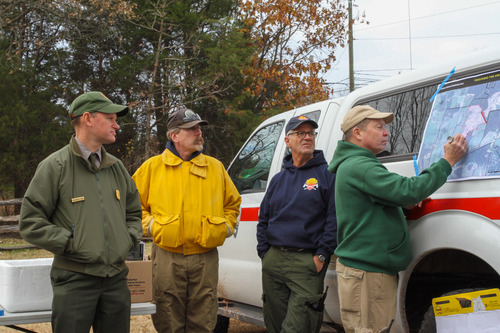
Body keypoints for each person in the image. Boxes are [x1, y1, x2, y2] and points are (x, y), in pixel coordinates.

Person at [328, 105, 468, 333]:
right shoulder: (360, 165)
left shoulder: (356, 164)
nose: (387, 132)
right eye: (379, 127)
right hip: (368, 274)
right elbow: (408, 190)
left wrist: (403, 206)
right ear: (357, 133)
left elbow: (381, 204)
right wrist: (447, 162)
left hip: (365, 272)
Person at [19, 91, 143, 333]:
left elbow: (134, 213)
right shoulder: (55, 167)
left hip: (116, 280)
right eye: (110, 118)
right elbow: (30, 222)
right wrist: (71, 243)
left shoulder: (117, 169)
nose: (116, 125)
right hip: (75, 280)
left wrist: (126, 239)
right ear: (87, 118)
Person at [132, 106, 241, 333]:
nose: (198, 132)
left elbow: (232, 204)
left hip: (205, 258)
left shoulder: (215, 168)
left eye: (199, 128)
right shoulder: (152, 168)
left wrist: (226, 227)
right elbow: (131, 208)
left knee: (203, 320)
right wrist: (152, 226)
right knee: (167, 317)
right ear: (174, 136)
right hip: (167, 258)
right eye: (191, 129)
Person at [256, 115, 337, 333]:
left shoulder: (327, 175)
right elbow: (263, 218)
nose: (307, 137)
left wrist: (322, 255)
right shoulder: (278, 179)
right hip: (273, 260)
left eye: (311, 133)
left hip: (306, 262)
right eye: (300, 133)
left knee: (299, 326)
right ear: (288, 141)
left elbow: (334, 219)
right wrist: (264, 251)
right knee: (274, 324)